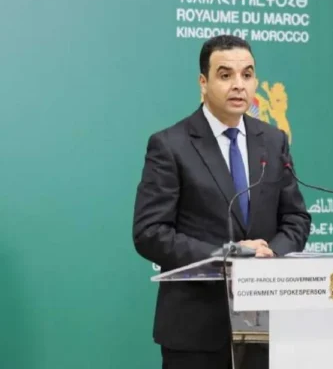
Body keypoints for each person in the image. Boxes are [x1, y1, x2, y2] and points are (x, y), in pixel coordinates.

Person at [132, 35, 311, 368]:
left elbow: (296, 218)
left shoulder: (273, 141)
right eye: (225, 75)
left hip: (266, 324)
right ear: (203, 82)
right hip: (196, 332)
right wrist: (226, 256)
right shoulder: (170, 145)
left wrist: (271, 253)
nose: (238, 85)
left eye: (247, 74)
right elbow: (150, 232)